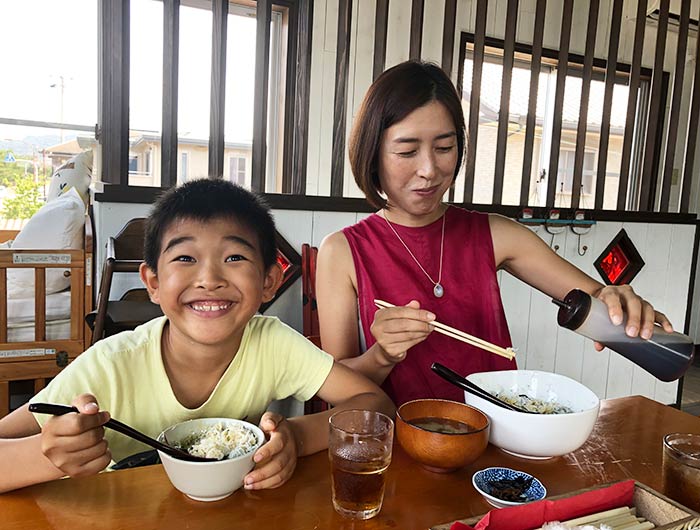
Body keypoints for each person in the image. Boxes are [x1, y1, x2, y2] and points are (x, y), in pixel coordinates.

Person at [0, 178, 394, 494]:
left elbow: (375, 404)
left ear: (269, 281)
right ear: (152, 282)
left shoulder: (271, 341)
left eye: (235, 257)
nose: (209, 279)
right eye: (185, 258)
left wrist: (296, 437)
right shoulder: (111, 364)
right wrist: (45, 455)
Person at [316, 60, 673, 407]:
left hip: (497, 439)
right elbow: (337, 387)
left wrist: (616, 302)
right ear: (373, 152)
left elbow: (593, 295)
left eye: (444, 148)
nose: (429, 169)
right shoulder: (343, 251)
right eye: (407, 151)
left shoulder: (494, 233)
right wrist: (382, 355)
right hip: (402, 450)